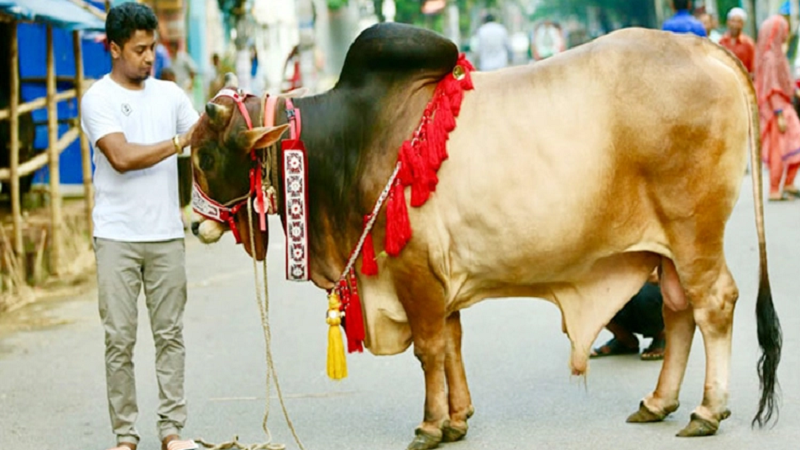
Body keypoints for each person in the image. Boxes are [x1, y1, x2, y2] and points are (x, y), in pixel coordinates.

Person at [79, 3, 199, 450]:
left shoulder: (170, 95)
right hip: (116, 236)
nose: (150, 58)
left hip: (167, 234)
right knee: (119, 341)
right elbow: (122, 158)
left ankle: (171, 431)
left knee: (171, 337)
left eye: (153, 48)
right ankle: (125, 437)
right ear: (113, 48)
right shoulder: (99, 99)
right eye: (139, 49)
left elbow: (202, 142)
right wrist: (179, 141)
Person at [755, 15, 800, 201]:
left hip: (784, 106)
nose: (786, 34)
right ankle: (775, 188)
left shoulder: (776, 54)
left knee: (791, 145)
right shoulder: (770, 57)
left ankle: (788, 183)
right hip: (778, 110)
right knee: (779, 150)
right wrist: (779, 113)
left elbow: (784, 84)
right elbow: (770, 88)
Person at [590, 273, 666, 361]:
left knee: (646, 295)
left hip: (657, 285)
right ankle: (625, 340)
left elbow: (655, 276)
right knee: (589, 293)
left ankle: (663, 336)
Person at [719, 7, 756, 75]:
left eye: (739, 22)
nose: (735, 25)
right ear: (728, 22)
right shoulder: (721, 42)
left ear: (743, 24)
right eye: (733, 21)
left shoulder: (748, 44)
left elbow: (752, 70)